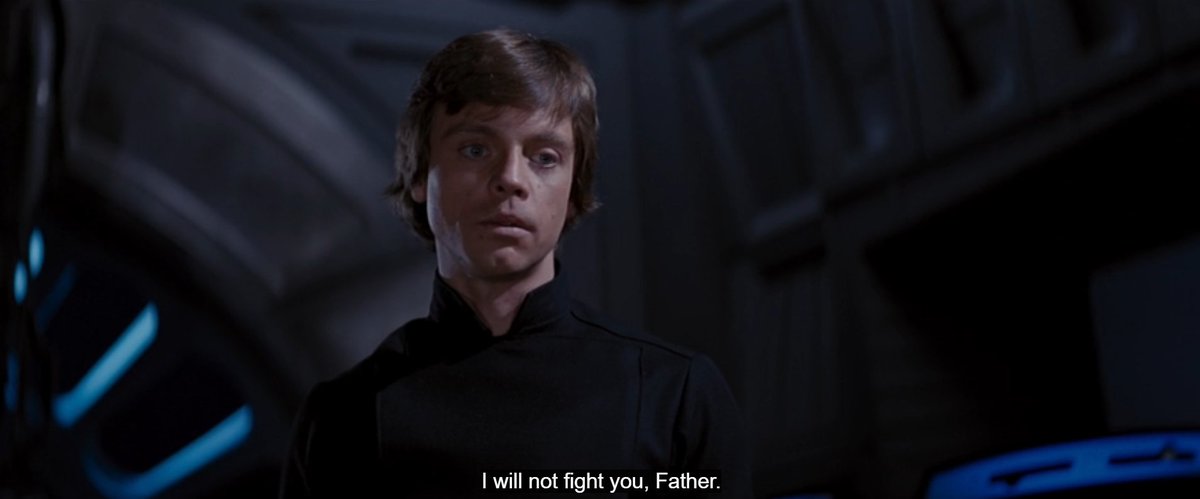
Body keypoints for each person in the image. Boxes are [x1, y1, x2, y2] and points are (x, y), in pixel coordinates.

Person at [280, 28, 752, 498]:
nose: (510, 178)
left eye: (544, 157)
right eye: (475, 150)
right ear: (421, 175)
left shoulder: (674, 396)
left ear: (574, 191)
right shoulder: (341, 417)